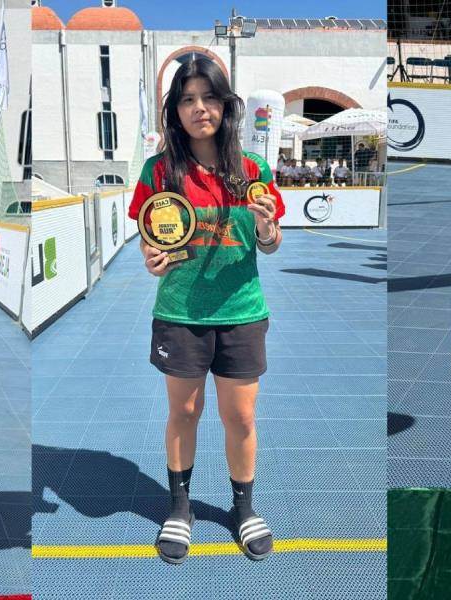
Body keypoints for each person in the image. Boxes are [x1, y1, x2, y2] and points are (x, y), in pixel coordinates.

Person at [128, 57, 285, 564]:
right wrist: (151, 259)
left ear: (225, 106)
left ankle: (243, 508)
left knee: (240, 416)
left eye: (210, 98)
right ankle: (180, 507)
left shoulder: (253, 171)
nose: (200, 109)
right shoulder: (159, 171)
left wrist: (265, 228)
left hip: (242, 311)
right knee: (185, 411)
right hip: (180, 313)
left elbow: (272, 242)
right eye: (188, 99)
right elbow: (149, 238)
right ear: (175, 110)